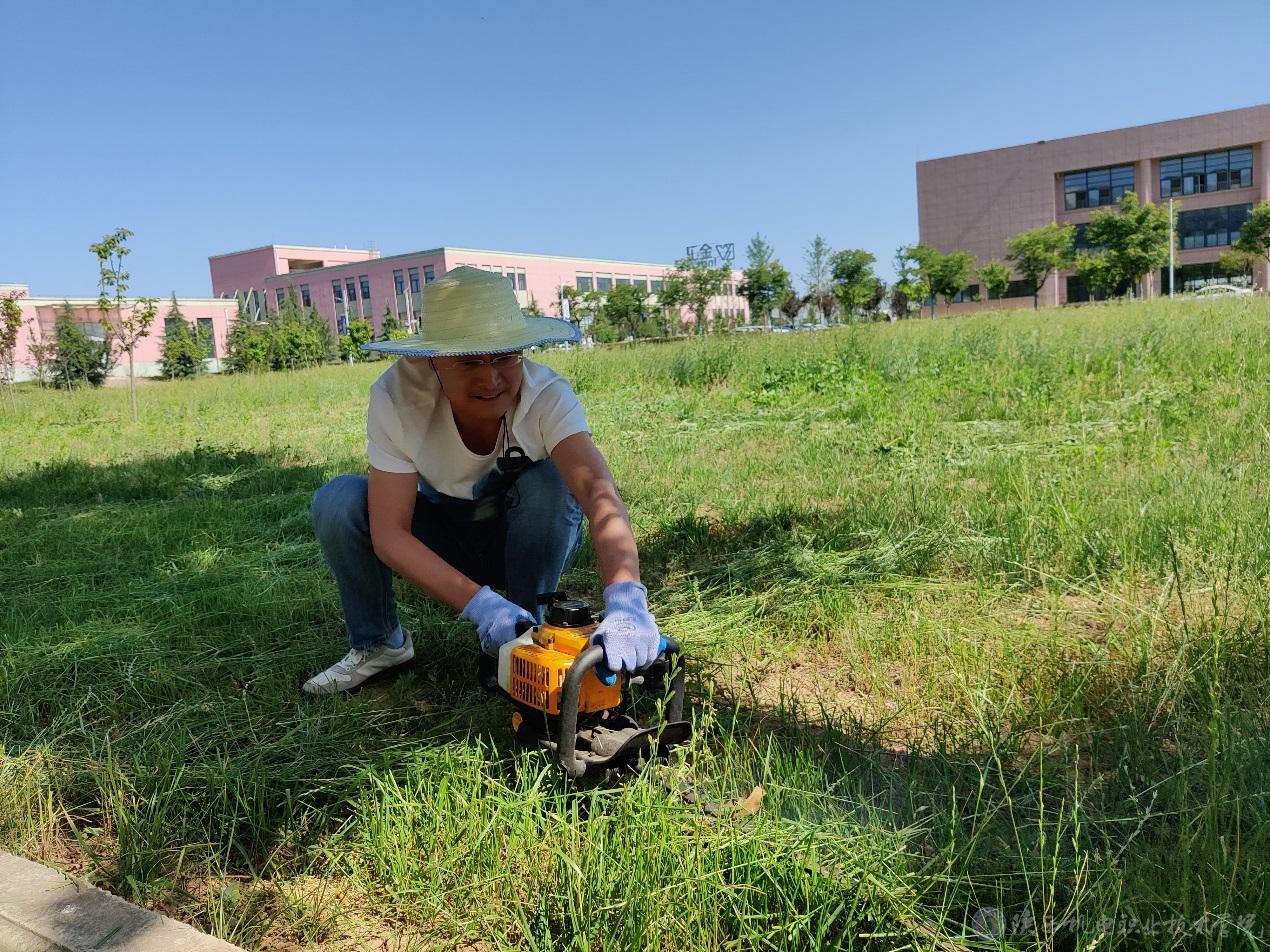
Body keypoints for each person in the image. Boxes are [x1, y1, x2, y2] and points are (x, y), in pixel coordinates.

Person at [303, 266, 662, 694]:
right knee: (340, 500)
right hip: (443, 539)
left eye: (505, 356)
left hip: (522, 537)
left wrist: (626, 598)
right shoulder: (397, 397)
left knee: (550, 481)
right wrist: (482, 606)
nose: (491, 380)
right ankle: (380, 644)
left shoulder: (546, 395)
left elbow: (596, 490)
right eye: (469, 360)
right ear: (433, 360)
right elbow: (390, 533)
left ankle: (525, 634)